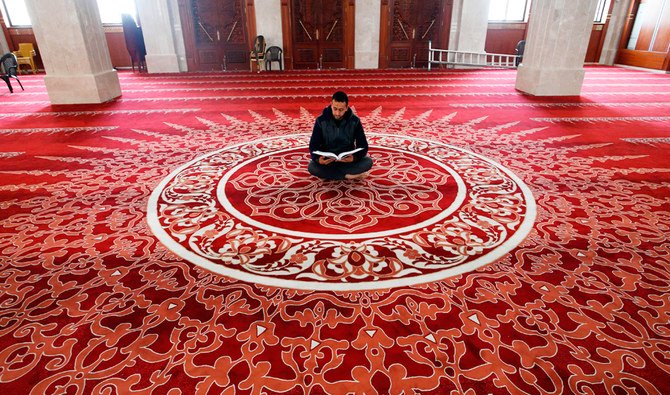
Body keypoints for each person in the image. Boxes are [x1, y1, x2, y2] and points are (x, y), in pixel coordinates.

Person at [308, 91, 373, 180]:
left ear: (346, 108)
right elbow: (313, 145)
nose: (337, 113)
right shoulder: (321, 120)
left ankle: (333, 174)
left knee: (368, 162)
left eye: (341, 110)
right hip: (328, 161)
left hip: (347, 161)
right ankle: (347, 176)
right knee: (312, 167)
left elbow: (363, 146)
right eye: (335, 109)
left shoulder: (355, 121)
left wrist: (354, 158)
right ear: (331, 105)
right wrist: (318, 159)